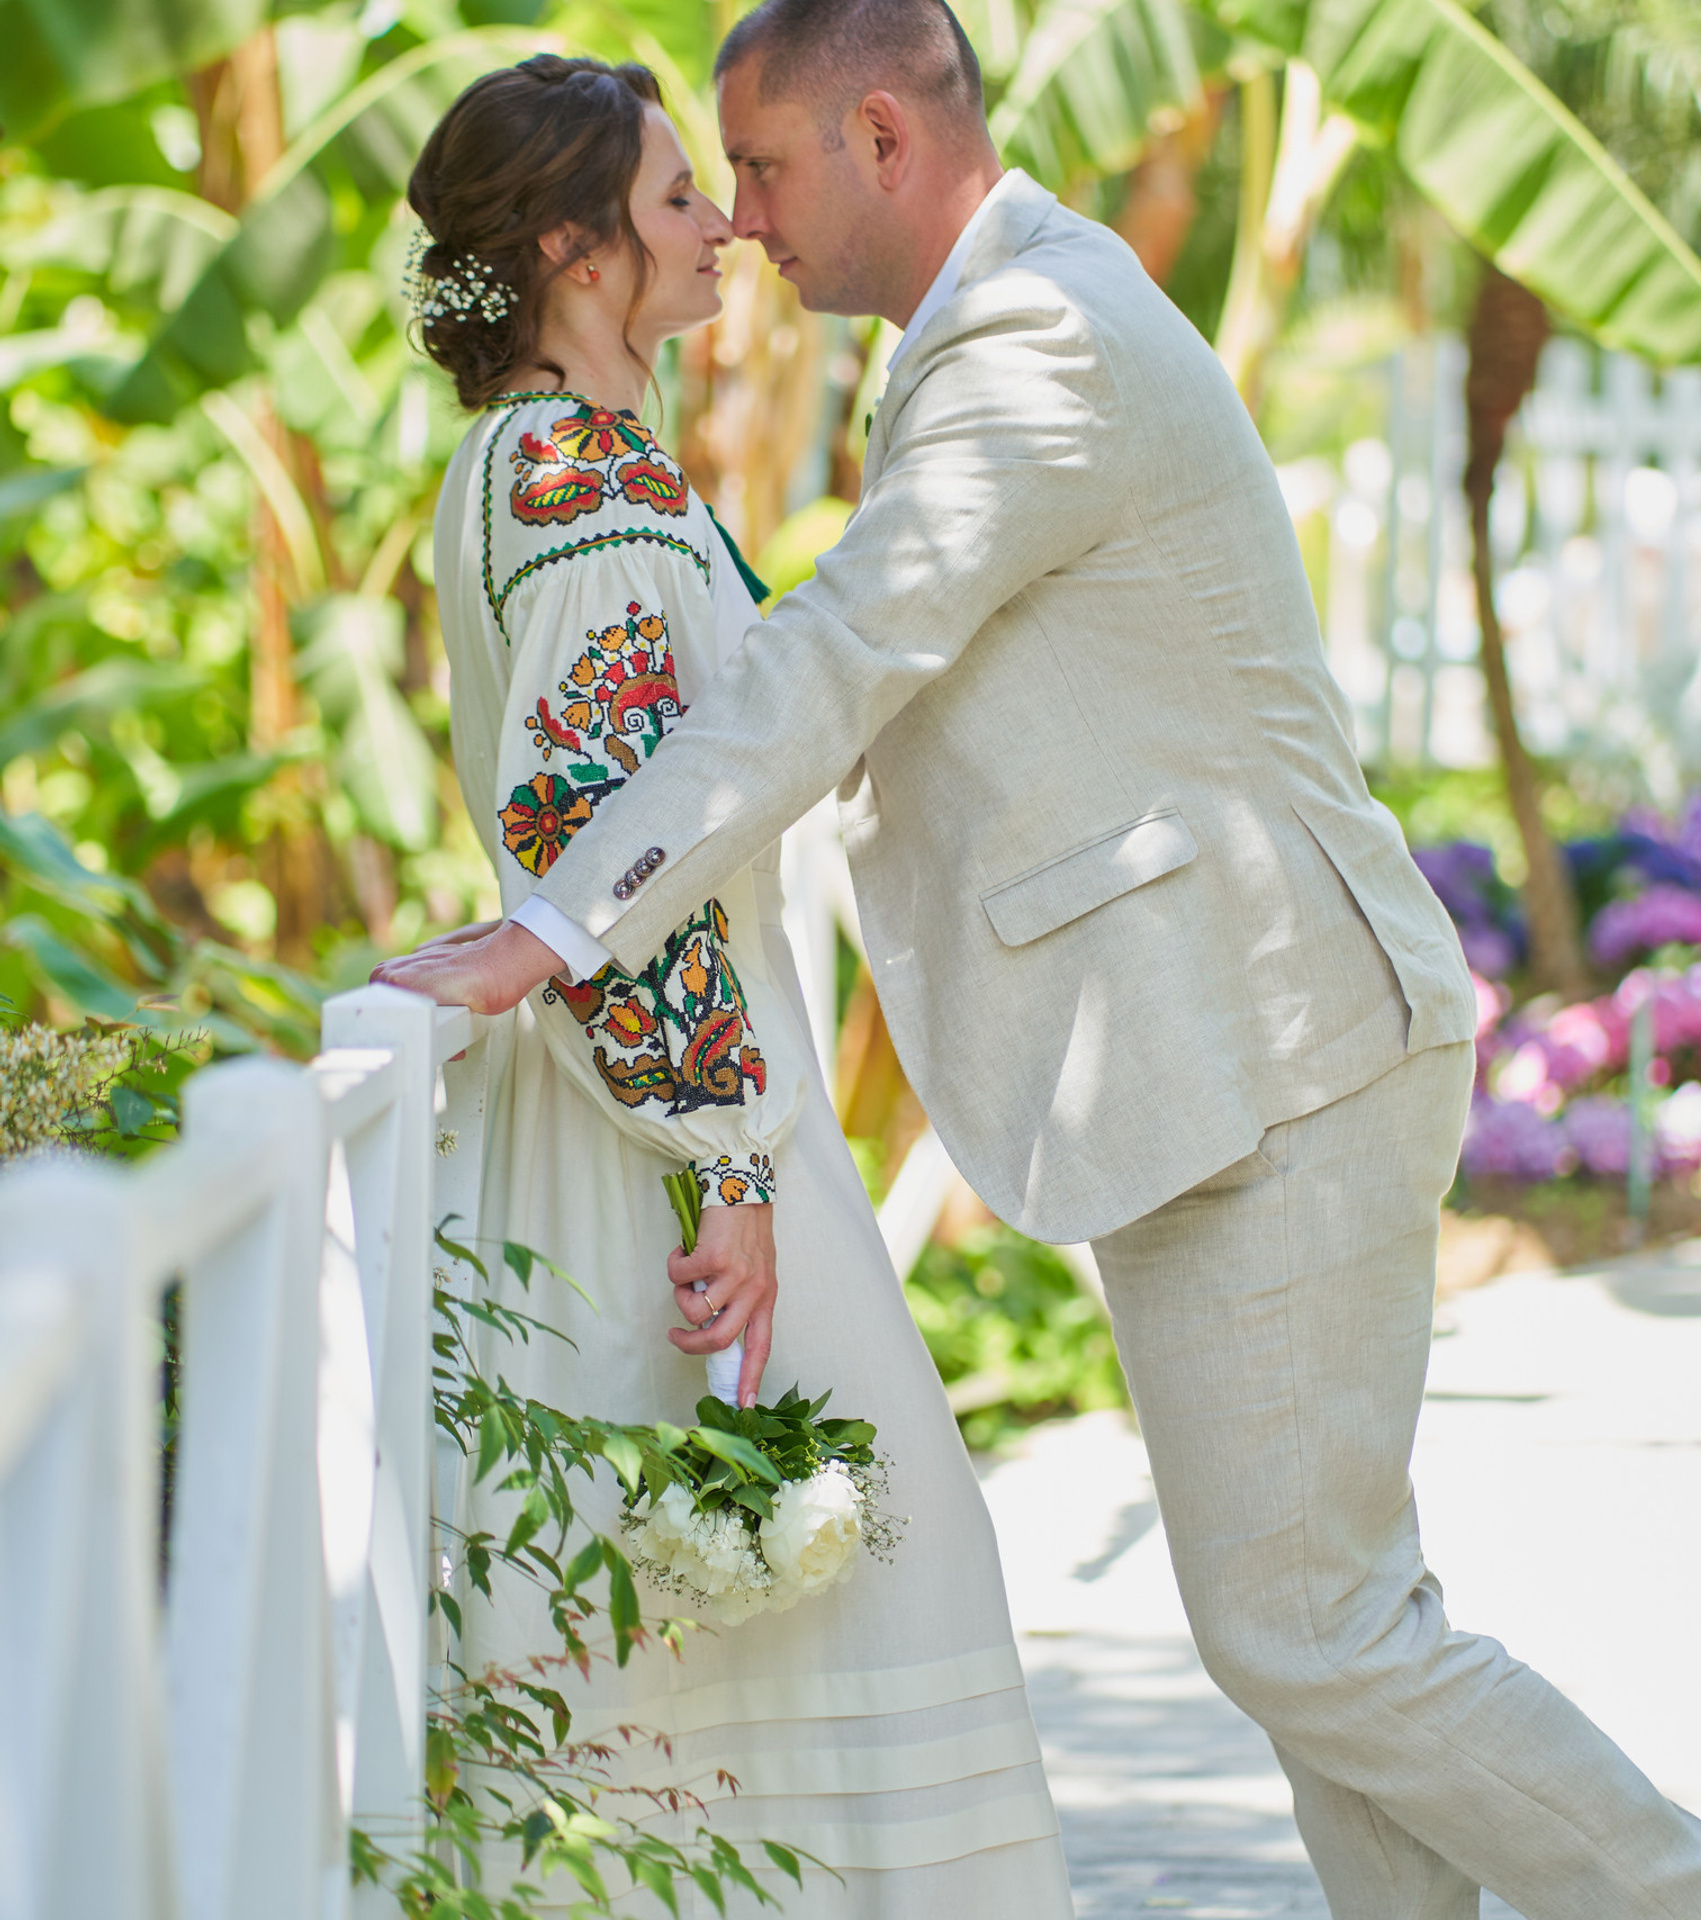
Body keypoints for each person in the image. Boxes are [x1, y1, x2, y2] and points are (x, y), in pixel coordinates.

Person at [376, 8, 1701, 1920]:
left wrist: (558, 922)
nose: (743, 223)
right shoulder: (969, 333)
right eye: (697, 188)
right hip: (1194, 1062)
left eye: (769, 171)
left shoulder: (1034, 337)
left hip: (1273, 1047)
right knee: (1329, 1652)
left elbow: (839, 657)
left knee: (1319, 1638)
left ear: (881, 135)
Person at [381, 54, 1073, 1916]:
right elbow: (597, 827)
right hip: (672, 1142)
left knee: (749, 1644)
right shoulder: (575, 477)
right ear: (574, 253)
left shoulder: (535, 464)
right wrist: (727, 1160)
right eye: (680, 199)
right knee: (842, 1596)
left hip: (640, 1106)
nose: (724, 231)